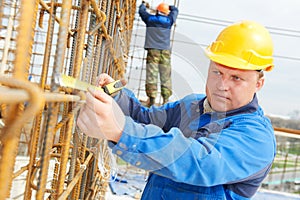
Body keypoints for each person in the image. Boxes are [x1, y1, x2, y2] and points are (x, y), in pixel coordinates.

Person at [77, 20, 276, 199]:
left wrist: (121, 131)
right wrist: (115, 96)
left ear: (259, 83)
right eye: (217, 72)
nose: (221, 85)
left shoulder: (257, 137)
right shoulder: (192, 105)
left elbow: (199, 161)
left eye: (236, 78)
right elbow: (145, 118)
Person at [139, 1, 178, 106]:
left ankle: (151, 100)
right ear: (166, 12)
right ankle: (165, 101)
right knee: (166, 75)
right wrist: (169, 7)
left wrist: (143, 5)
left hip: (153, 51)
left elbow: (142, 12)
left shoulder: (150, 19)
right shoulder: (169, 21)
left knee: (152, 75)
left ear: (157, 11)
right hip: (165, 51)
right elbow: (175, 10)